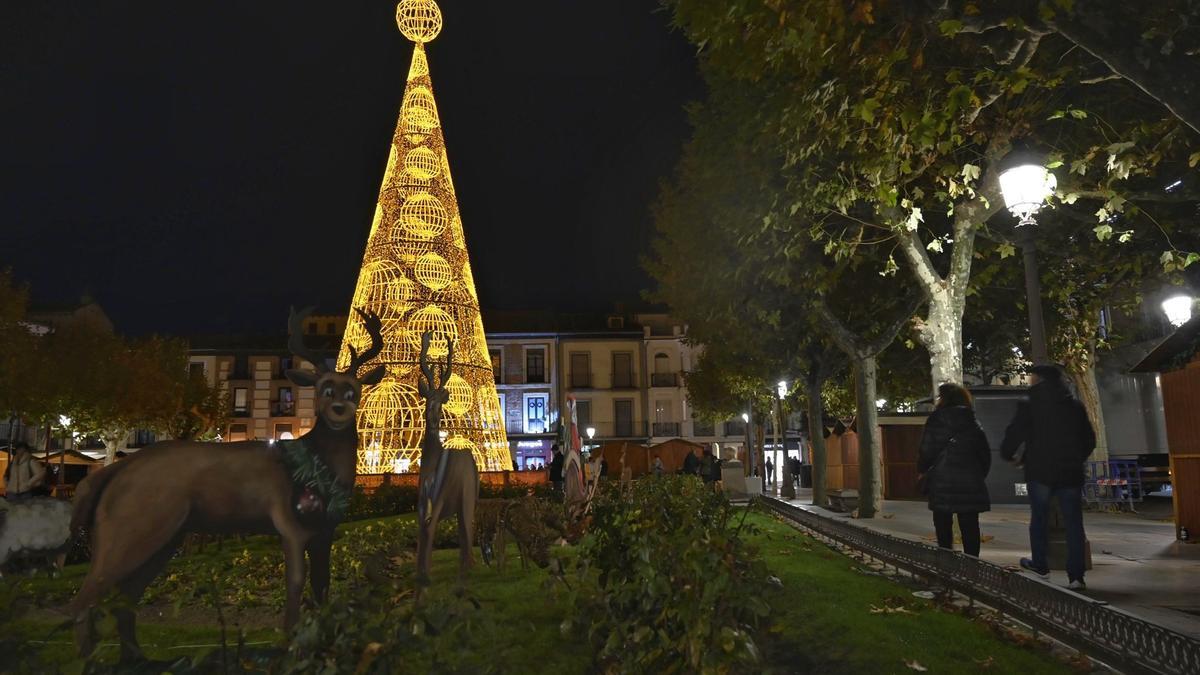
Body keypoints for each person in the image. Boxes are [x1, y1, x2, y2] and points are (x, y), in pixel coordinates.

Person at [1001, 364, 1096, 590]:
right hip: (1070, 472)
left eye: (1032, 376)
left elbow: (1015, 433)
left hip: (1040, 471)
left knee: (1040, 518)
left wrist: (1011, 455)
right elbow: (1089, 440)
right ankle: (1076, 575)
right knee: (1073, 522)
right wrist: (1075, 458)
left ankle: (1041, 566)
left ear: (1039, 379)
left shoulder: (1030, 404)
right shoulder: (1074, 406)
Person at [917, 383, 992, 557]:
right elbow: (984, 455)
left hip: (942, 480)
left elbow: (926, 449)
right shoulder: (972, 422)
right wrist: (978, 475)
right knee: (970, 525)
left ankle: (946, 560)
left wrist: (922, 468)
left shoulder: (936, 420)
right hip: (970, 481)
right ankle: (972, 563)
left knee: (942, 523)